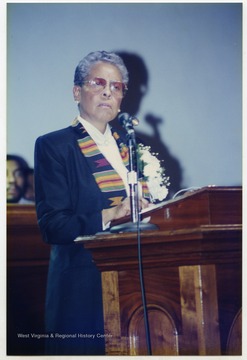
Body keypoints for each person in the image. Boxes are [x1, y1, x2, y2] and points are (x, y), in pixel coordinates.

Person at [34, 51, 151, 355]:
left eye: (116, 86)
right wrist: (111, 214)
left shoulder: (132, 147)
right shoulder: (55, 146)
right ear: (77, 91)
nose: (107, 91)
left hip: (135, 286)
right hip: (82, 290)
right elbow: (53, 226)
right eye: (98, 83)